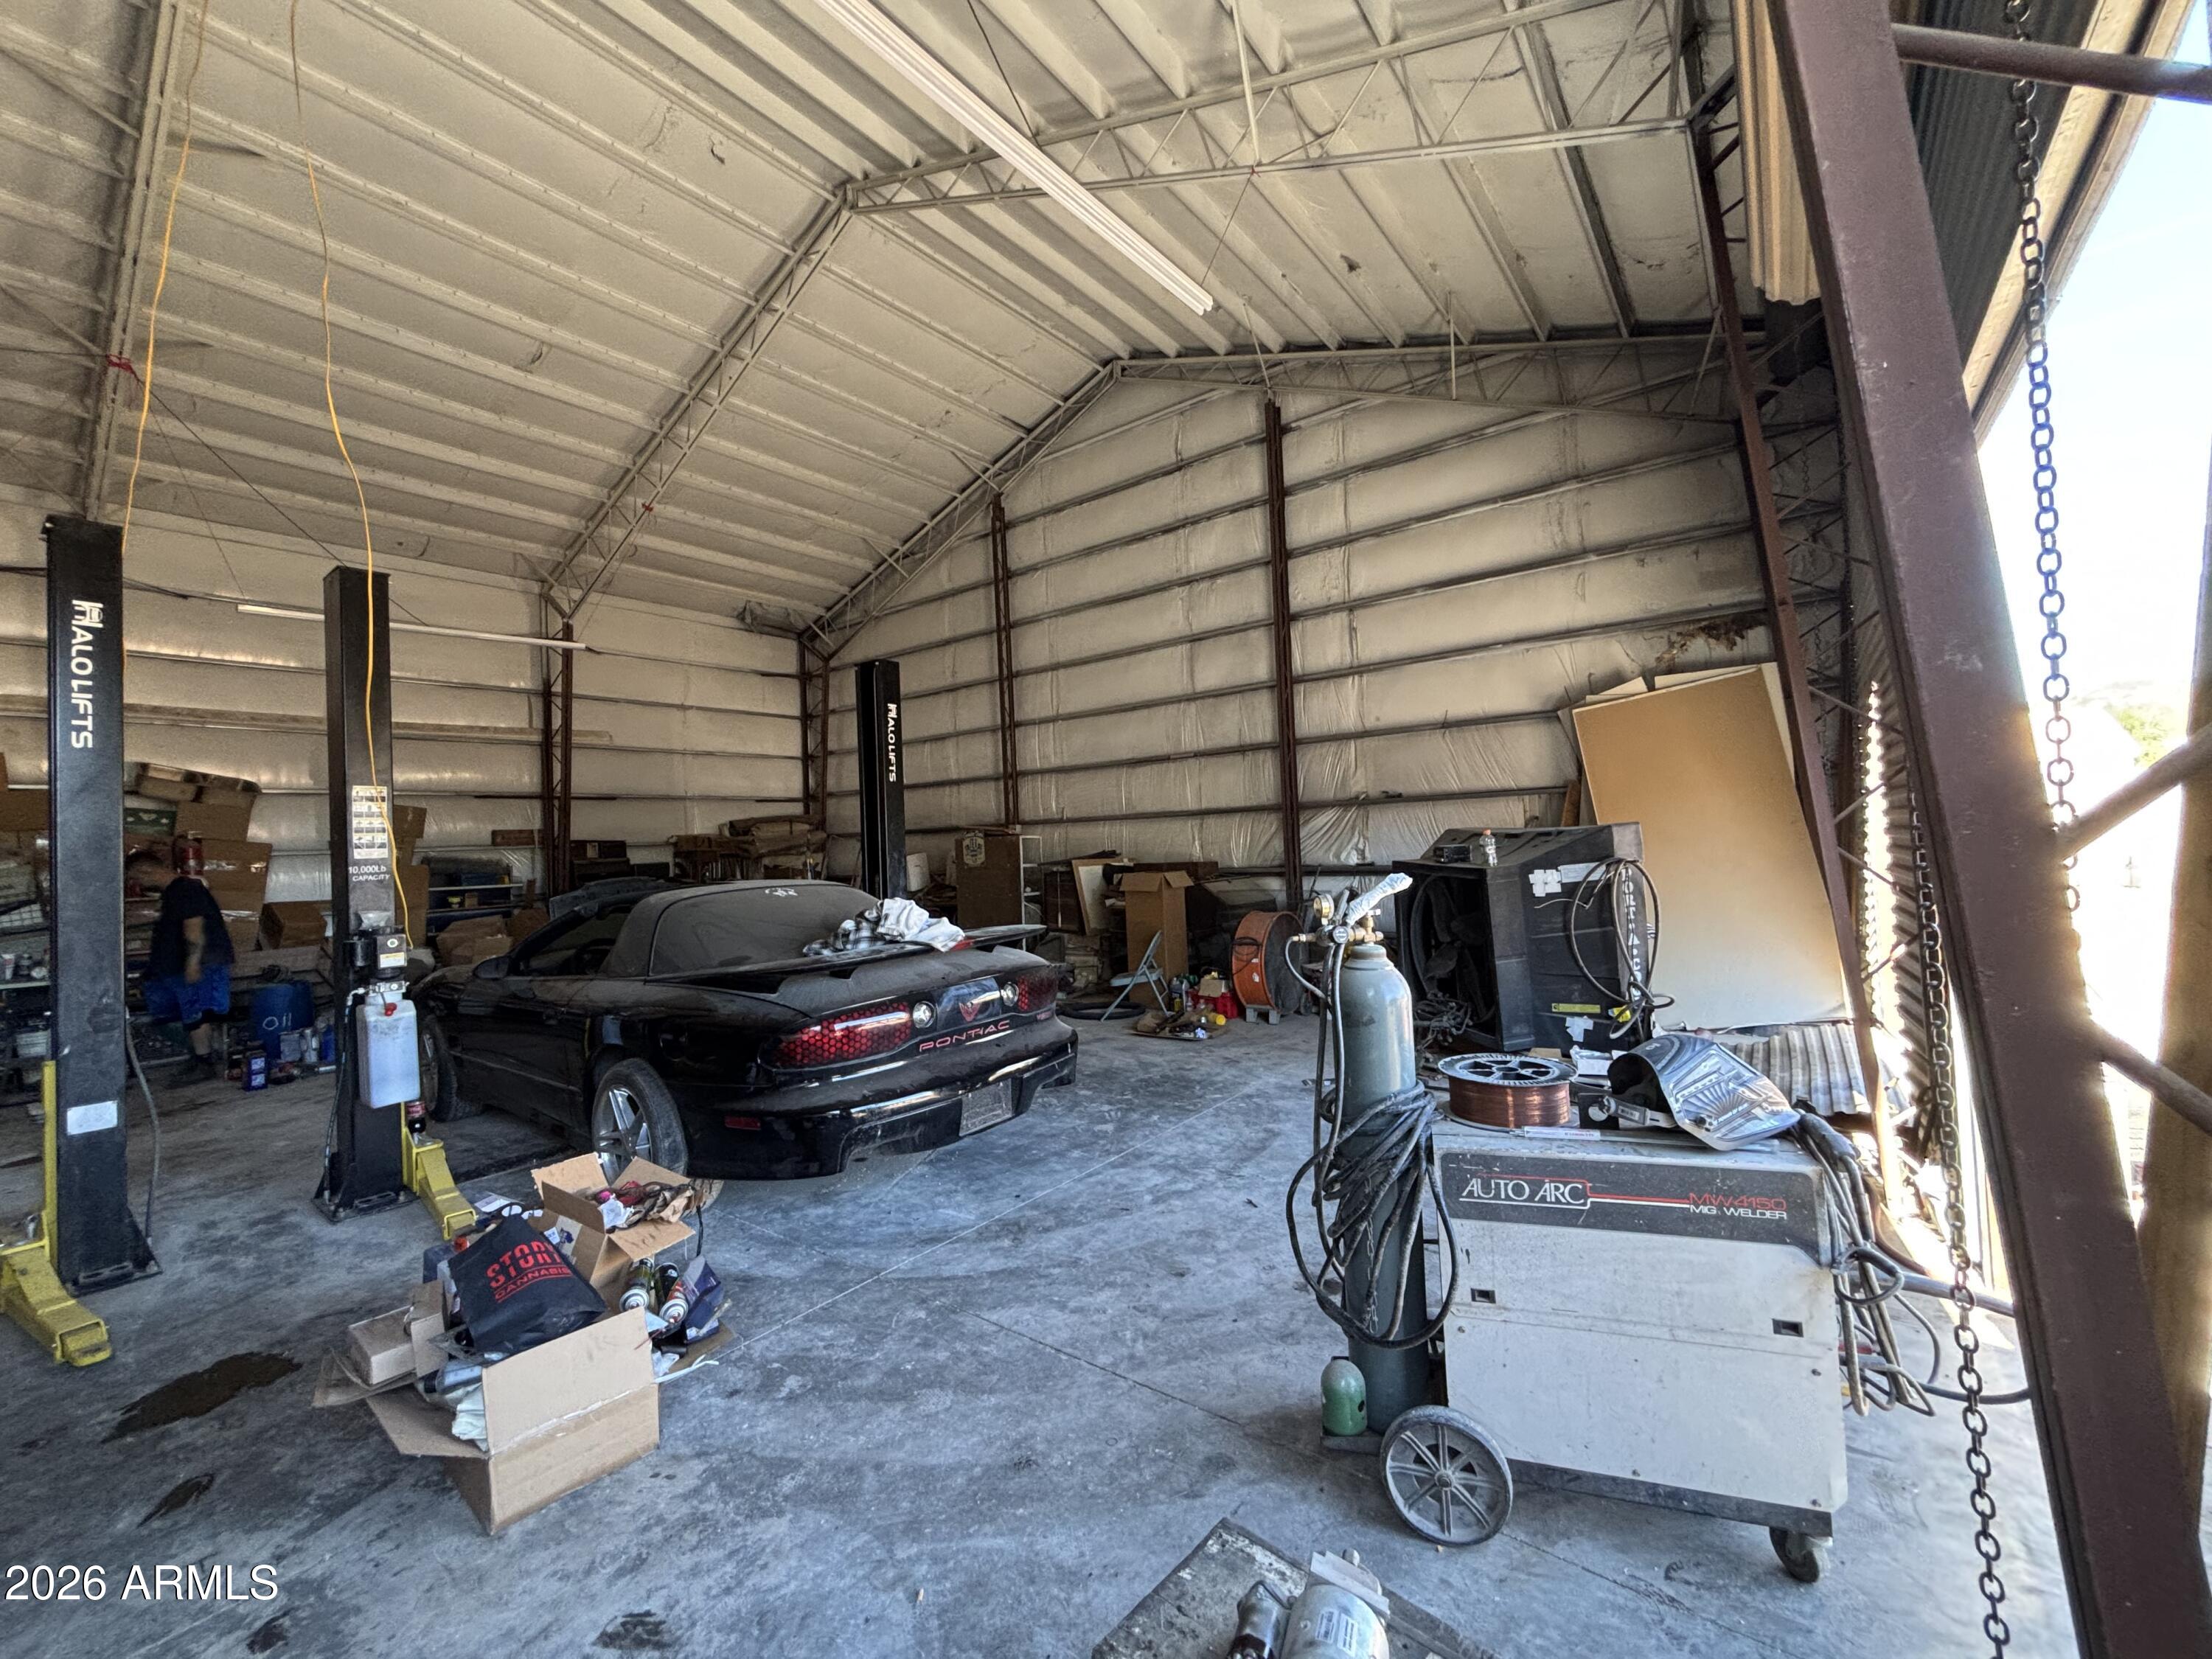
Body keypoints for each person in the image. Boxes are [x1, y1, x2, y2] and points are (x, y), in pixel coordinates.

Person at [128, 843, 234, 1082]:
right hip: (177, 966)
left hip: (200, 963)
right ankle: (199, 1057)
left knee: (197, 1012)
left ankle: (204, 1063)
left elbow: (194, 929)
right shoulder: (172, 893)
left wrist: (193, 963)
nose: (138, 884)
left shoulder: (186, 890)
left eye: (136, 878)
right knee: (184, 1014)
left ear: (146, 871)